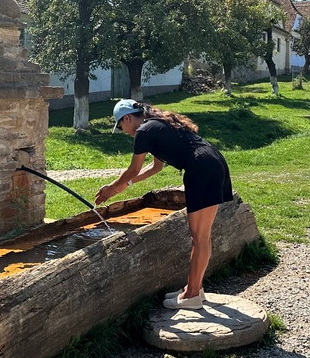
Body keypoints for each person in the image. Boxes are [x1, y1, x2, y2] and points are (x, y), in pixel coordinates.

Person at [94, 99, 233, 310]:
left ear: (128, 118)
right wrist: (126, 185)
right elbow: (154, 167)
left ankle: (192, 295)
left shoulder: (143, 131)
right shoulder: (156, 124)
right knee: (202, 236)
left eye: (121, 126)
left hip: (201, 168)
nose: (124, 132)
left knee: (199, 237)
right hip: (212, 161)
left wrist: (111, 188)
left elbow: (133, 169)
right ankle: (195, 288)